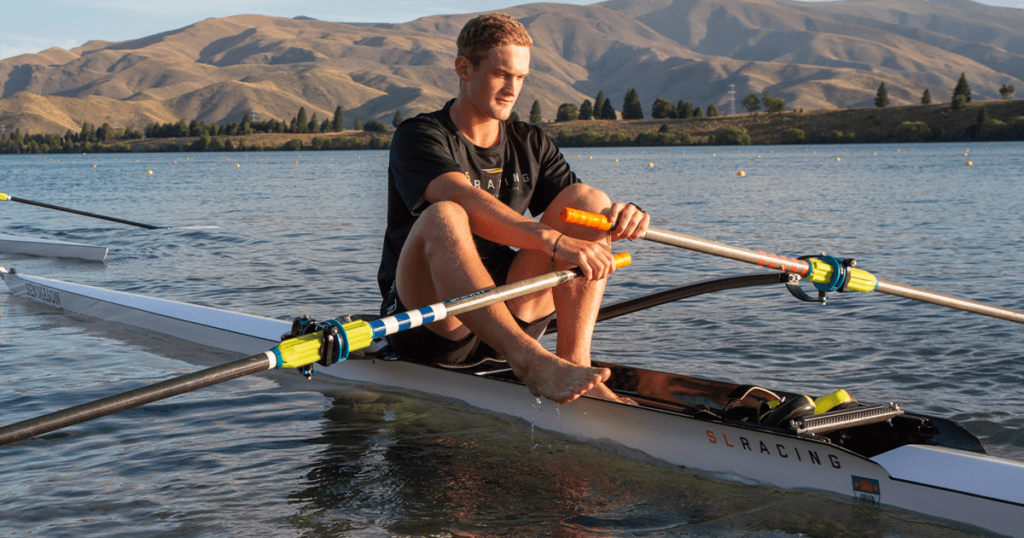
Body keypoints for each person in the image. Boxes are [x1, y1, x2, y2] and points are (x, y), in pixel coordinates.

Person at [377, 13, 649, 404]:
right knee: (447, 214)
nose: (512, 89)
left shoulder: (530, 142)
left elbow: (583, 216)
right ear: (464, 69)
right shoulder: (419, 135)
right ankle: (529, 362)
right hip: (436, 324)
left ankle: (573, 363)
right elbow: (463, 198)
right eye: (502, 74)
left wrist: (624, 215)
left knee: (590, 202)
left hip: (509, 313)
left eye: (521, 78)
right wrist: (553, 242)